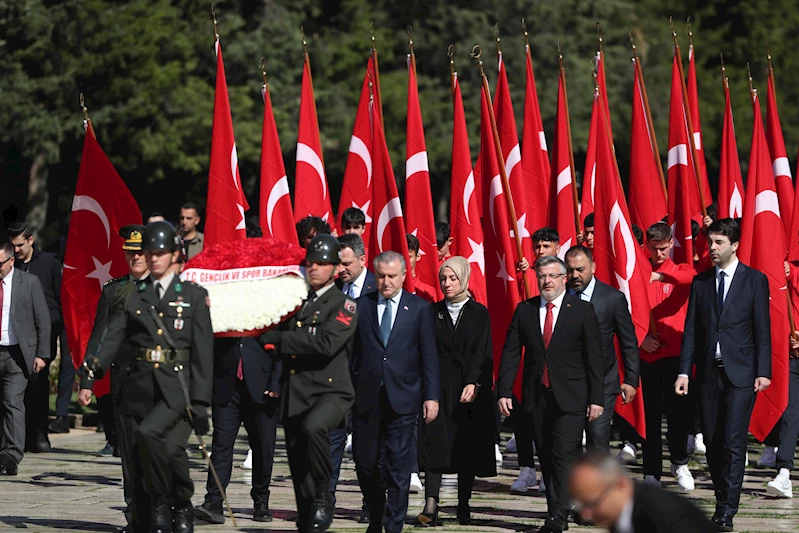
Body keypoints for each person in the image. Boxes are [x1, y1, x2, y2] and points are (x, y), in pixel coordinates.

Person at [81, 221, 214, 533]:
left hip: (176, 388)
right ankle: (149, 511)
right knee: (137, 456)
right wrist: (88, 375)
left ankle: (180, 504)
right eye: (145, 254)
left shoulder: (193, 296)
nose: (149, 259)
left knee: (171, 452)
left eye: (156, 253)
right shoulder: (127, 294)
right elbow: (108, 339)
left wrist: (202, 400)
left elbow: (203, 352)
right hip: (135, 385)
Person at [676, 218, 771, 532]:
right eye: (710, 242)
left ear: (734, 244)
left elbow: (762, 328)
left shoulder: (754, 280)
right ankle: (721, 496)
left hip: (741, 374)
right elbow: (691, 330)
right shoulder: (702, 283)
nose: (712, 248)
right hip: (706, 374)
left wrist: (764, 370)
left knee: (732, 442)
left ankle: (726, 510)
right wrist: (684, 372)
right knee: (714, 442)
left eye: (718, 242)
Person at [258, 234, 358, 533]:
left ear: (334, 268)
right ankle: (307, 515)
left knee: (314, 428)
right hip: (296, 391)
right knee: (298, 460)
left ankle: (325, 495)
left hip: (331, 391)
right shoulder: (295, 301)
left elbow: (326, 343)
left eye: (321, 263)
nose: (314, 268)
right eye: (310, 263)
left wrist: (281, 341)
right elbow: (270, 326)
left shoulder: (344, 305)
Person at [498, 255, 603, 533]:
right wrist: (504, 390)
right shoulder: (525, 310)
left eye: (552, 276)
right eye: (542, 276)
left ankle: (558, 514)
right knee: (545, 454)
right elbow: (510, 353)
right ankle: (558, 509)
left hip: (572, 396)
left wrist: (597, 399)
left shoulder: (581, 310)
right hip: (537, 395)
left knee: (563, 453)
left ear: (563, 278)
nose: (546, 281)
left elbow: (595, 358)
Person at [351, 251, 440, 533]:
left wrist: (431, 396)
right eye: (381, 276)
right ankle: (376, 516)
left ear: (404, 275)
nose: (386, 282)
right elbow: (350, 354)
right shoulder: (359, 306)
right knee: (366, 463)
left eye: (392, 276)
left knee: (398, 466)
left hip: (404, 398)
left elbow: (429, 356)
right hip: (366, 399)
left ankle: (393, 525)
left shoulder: (419, 309)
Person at [76, 225, 148, 528]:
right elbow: (100, 338)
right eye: (131, 252)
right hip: (126, 385)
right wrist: (88, 380)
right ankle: (135, 517)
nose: (136, 258)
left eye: (141, 252)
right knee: (131, 456)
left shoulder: (172, 291)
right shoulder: (114, 290)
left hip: (162, 386)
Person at [417, 257, 495, 526]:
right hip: (437, 388)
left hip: (468, 390)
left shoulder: (479, 312)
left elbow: (482, 351)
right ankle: (431, 502)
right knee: (434, 443)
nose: (447, 284)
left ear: (464, 279)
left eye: (453, 278)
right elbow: (425, 351)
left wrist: (474, 382)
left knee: (466, 446)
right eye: (443, 279)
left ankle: (463, 503)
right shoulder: (431, 311)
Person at [629, 222, 696, 490]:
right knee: (650, 417)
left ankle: (679, 462)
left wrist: (659, 277)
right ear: (646, 246)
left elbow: (691, 279)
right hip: (646, 356)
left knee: (679, 416)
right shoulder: (637, 273)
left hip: (675, 358)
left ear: (671, 244)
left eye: (664, 248)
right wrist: (640, 339)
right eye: (654, 249)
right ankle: (651, 472)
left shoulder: (680, 270)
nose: (659, 254)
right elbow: (626, 309)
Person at [193, 336, 281, 524]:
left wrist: (276, 382)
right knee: (221, 445)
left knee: (263, 448)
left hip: (262, 387)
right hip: (226, 383)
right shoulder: (223, 307)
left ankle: (261, 501)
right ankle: (214, 501)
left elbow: (281, 345)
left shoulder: (270, 307)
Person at [564, 246, 639, 452]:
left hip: (603, 382)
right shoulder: (560, 298)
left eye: (580, 269)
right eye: (570, 270)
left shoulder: (612, 298)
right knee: (569, 441)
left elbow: (628, 342)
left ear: (593, 267)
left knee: (597, 437)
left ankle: (599, 484)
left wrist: (631, 380)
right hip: (569, 383)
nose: (575, 275)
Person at [329, 233, 375, 522]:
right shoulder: (333, 289)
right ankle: (326, 501)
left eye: (346, 263)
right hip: (336, 382)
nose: (341, 269)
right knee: (331, 445)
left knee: (367, 449)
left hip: (368, 382)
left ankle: (371, 504)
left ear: (362, 259)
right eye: (338, 264)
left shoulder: (377, 287)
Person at [7, 222, 63, 450]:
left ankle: (39, 434)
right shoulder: (10, 266)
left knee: (38, 385)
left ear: (30, 240)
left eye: (20, 245)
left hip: (43, 332)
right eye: (13, 246)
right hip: (16, 334)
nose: (17, 250)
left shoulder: (49, 263)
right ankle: (17, 437)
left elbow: (58, 299)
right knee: (15, 388)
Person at [569, 451, 718, 533]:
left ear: (620, 485)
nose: (586, 514)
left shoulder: (668, 519)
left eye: (592, 503)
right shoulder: (624, 513)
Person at [0, 241, 51, 476]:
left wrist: (42, 354)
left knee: (12, 402)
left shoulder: (29, 283)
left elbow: (43, 320)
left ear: (11, 261)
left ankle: (11, 454)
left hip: (18, 353)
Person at [406, 234, 436, 303]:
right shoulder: (390, 287)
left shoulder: (427, 292)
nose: (405, 260)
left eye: (409, 257)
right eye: (402, 256)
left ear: (418, 256)